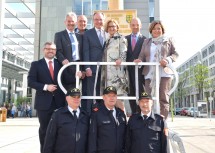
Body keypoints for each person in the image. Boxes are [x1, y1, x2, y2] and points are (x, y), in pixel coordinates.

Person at [134, 20, 179, 119]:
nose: (156, 30)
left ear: (162, 30)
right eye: (154, 28)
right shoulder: (147, 41)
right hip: (149, 74)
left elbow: (175, 54)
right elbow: (141, 56)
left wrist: (167, 60)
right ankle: (151, 121)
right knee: (149, 99)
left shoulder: (168, 40)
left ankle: (162, 123)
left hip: (164, 73)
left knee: (163, 98)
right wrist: (139, 60)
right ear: (151, 30)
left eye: (159, 28)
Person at [28, 42, 66, 152]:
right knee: (45, 130)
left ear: (55, 51)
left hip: (59, 102)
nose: (50, 51)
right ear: (43, 50)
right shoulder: (36, 64)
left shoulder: (60, 64)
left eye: (53, 49)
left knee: (59, 130)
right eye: (48, 49)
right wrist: (45, 87)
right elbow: (31, 82)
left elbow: (67, 79)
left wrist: (77, 74)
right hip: (44, 104)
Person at [43, 88, 89, 153]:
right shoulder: (58, 115)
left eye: (78, 97)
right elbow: (50, 138)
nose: (76, 99)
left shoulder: (86, 115)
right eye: (73, 97)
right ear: (67, 98)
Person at [88, 86, 127, 153]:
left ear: (116, 97)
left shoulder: (121, 114)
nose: (112, 98)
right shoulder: (97, 114)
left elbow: (125, 137)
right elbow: (92, 138)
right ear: (104, 97)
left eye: (114, 96)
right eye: (109, 96)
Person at [101, 19, 128, 111]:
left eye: (114, 26)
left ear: (117, 28)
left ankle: (123, 122)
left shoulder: (121, 38)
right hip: (107, 75)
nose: (112, 28)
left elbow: (124, 51)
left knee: (118, 100)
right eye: (110, 26)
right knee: (109, 100)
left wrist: (121, 59)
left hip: (117, 74)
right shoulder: (107, 40)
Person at [83, 12, 106, 114]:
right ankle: (89, 116)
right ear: (93, 20)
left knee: (103, 93)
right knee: (91, 93)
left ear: (103, 20)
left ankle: (101, 115)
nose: (98, 21)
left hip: (106, 69)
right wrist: (87, 67)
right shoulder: (88, 33)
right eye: (96, 19)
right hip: (92, 68)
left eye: (100, 19)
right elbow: (86, 51)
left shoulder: (107, 33)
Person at [54, 12, 83, 90]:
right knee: (66, 94)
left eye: (73, 21)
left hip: (77, 67)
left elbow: (82, 53)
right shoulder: (59, 35)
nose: (71, 23)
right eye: (68, 21)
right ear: (65, 22)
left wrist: (82, 69)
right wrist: (62, 60)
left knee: (76, 91)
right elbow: (57, 51)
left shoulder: (79, 36)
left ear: (76, 23)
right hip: (66, 67)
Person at [126, 17, 146, 114]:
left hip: (140, 72)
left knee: (141, 94)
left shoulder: (146, 40)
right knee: (131, 94)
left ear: (140, 26)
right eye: (133, 25)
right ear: (130, 26)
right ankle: (134, 114)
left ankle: (141, 114)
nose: (135, 27)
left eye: (137, 25)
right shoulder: (125, 39)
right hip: (128, 72)